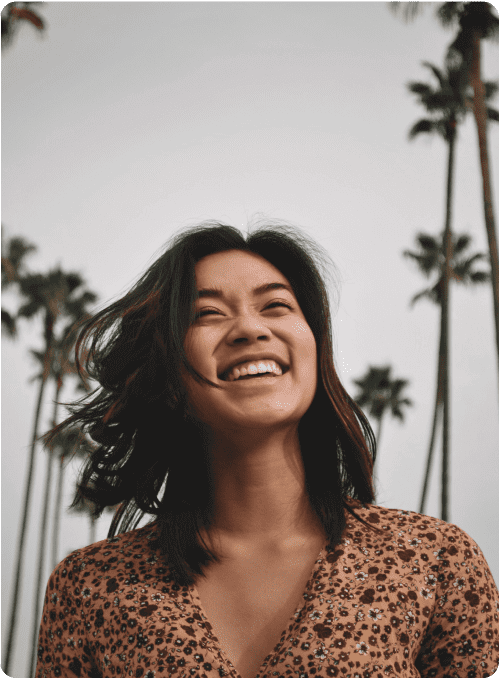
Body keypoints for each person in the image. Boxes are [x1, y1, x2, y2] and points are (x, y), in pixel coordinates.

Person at [35, 220, 499, 678]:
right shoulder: (89, 588)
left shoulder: (435, 560)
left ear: (315, 348)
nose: (249, 329)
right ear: (169, 375)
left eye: (275, 306)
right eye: (207, 314)